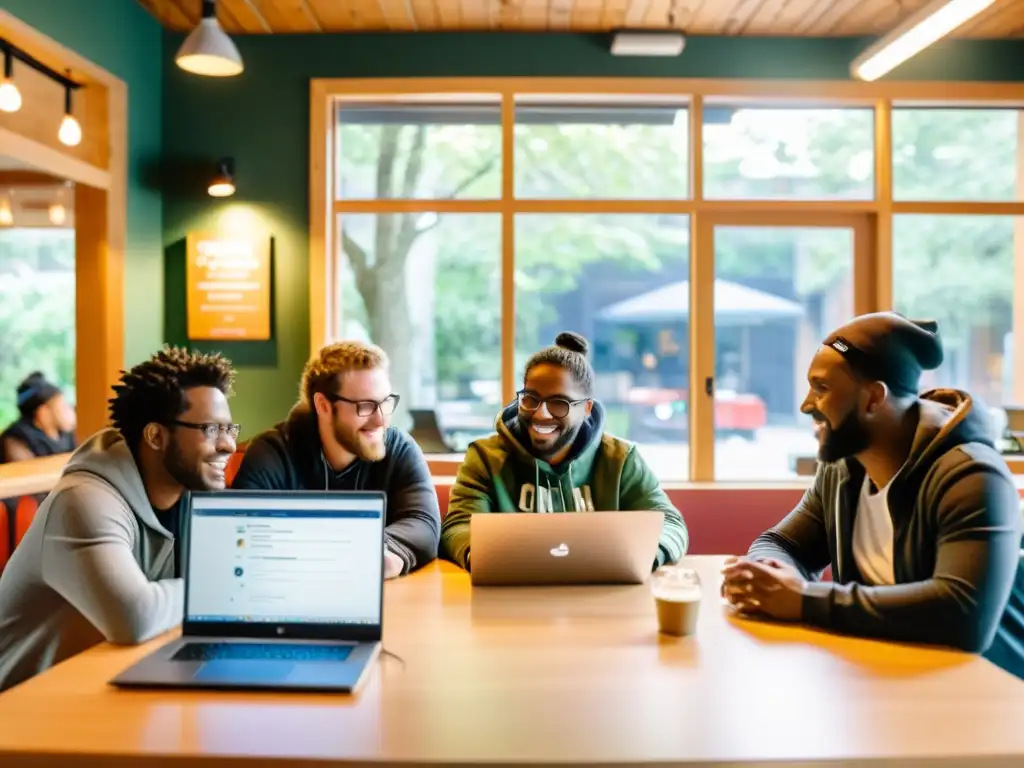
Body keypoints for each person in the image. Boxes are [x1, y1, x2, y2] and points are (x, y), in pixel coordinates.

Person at [722, 312, 1024, 679]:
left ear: (873, 398)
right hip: (894, 680)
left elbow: (963, 616)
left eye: (821, 388)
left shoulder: (972, 476)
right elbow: (783, 542)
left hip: (986, 695)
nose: (806, 405)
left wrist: (803, 600)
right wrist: (768, 577)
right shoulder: (842, 469)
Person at [0, 346, 238, 691]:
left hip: (104, 687)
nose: (229, 445)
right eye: (211, 429)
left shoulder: (192, 496)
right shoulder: (82, 502)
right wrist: (223, 584)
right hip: (22, 711)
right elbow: (135, 618)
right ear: (155, 436)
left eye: (229, 429)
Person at [441, 331, 689, 571]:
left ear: (587, 408)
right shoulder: (485, 457)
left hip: (601, 599)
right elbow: (458, 525)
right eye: (530, 399)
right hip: (509, 598)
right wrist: (483, 557)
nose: (541, 414)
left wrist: (645, 557)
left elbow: (671, 524)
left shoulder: (620, 459)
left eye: (559, 403)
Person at [231, 340, 440, 579]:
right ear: (323, 405)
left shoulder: (399, 449)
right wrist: (352, 551)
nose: (381, 419)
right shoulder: (272, 453)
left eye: (385, 402)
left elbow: (423, 525)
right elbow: (243, 534)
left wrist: (387, 555)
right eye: (365, 406)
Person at [1, 371, 77, 463]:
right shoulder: (16, 439)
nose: (69, 411)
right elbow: (27, 473)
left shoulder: (66, 435)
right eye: (63, 406)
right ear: (44, 412)